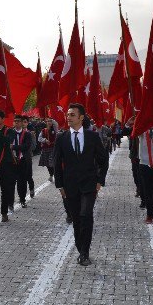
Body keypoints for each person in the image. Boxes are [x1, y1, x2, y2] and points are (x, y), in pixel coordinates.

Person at [54, 104, 109, 266]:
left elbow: (103, 160)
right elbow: (57, 164)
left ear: (81, 117)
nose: (68, 117)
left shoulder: (92, 136)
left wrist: (100, 181)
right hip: (70, 186)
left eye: (72, 114)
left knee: (86, 215)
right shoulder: (62, 138)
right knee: (77, 219)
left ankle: (84, 252)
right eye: (68, 114)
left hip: (89, 185)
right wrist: (60, 186)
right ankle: (80, 248)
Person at [12, 115, 34, 207]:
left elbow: (26, 146)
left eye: (18, 121)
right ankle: (10, 200)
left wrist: (13, 147)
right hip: (12, 160)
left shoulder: (27, 134)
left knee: (22, 181)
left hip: (23, 160)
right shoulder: (10, 133)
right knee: (11, 181)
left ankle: (22, 199)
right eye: (15, 121)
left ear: (22, 123)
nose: (16, 123)